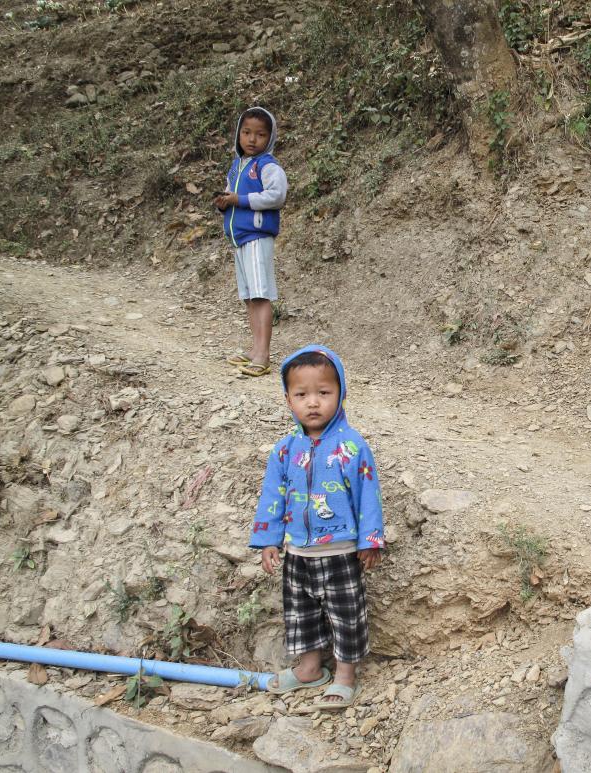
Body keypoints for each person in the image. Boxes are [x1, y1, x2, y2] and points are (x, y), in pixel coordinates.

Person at [250, 345, 384, 709]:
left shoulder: (351, 446)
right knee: (301, 615)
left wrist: (370, 540)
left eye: (323, 393)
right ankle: (309, 669)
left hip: (340, 552)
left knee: (346, 615)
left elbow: (367, 494)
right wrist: (268, 540)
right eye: (301, 394)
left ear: (340, 393)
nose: (313, 403)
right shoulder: (284, 450)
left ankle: (345, 675)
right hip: (297, 553)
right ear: (288, 399)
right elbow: (272, 497)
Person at [214, 106, 287, 378]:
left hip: (257, 236)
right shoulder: (237, 165)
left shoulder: (267, 166)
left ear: (270, 137)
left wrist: (239, 201)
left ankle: (264, 354)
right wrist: (224, 204)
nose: (252, 139)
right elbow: (232, 196)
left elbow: (276, 196)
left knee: (260, 294)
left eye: (259, 134)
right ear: (238, 134)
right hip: (239, 238)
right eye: (246, 133)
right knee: (248, 297)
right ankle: (255, 349)